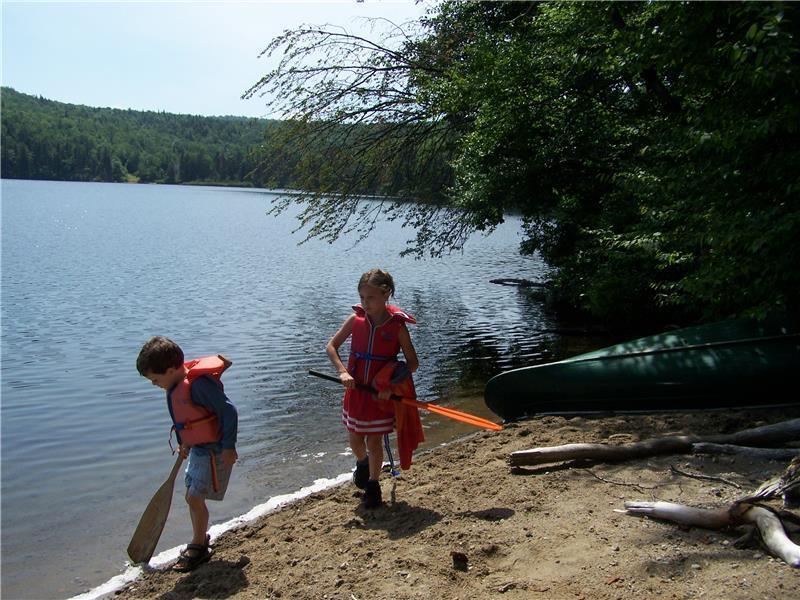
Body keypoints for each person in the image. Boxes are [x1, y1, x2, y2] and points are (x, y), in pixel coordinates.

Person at [136, 336, 238, 572]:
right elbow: (187, 420)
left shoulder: (198, 386)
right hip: (198, 448)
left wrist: (228, 446)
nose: (154, 384)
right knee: (192, 496)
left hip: (213, 449)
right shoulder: (175, 384)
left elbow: (229, 411)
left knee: (194, 497)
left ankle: (199, 545)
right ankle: (200, 540)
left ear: (171, 370)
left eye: (155, 379)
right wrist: (184, 442)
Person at [326, 268, 421, 508]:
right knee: (356, 441)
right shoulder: (355, 320)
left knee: (375, 442)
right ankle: (362, 462)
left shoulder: (397, 327)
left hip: (379, 397)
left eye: (371, 298)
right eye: (362, 298)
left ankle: (373, 484)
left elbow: (413, 363)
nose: (365, 303)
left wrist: (391, 383)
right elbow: (331, 347)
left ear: (386, 294)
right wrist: (342, 371)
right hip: (356, 392)